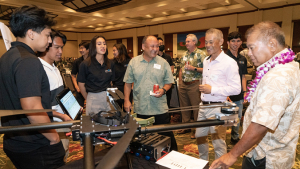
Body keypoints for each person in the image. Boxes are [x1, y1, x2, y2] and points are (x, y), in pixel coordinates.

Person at [210, 21, 300, 169]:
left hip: (265, 157)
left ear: (271, 44)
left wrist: (232, 155)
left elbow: (261, 124)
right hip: (275, 152)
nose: (249, 53)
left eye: (252, 48)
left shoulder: (278, 76)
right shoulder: (290, 66)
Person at [0, 5, 65, 168]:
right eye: (47, 35)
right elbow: (32, 107)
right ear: (31, 33)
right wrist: (54, 137)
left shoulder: (7, 57)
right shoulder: (29, 61)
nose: (50, 41)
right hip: (36, 145)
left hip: (14, 140)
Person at [123, 35, 177, 151]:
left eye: (157, 46)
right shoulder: (134, 62)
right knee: (142, 139)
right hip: (141, 107)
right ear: (143, 47)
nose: (155, 49)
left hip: (159, 108)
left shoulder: (163, 63)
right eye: (152, 46)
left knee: (167, 136)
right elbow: (127, 83)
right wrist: (127, 100)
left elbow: (169, 83)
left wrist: (163, 90)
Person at [196, 28, 240, 161]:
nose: (208, 45)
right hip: (203, 106)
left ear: (221, 41)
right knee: (199, 138)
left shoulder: (229, 62)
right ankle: (203, 164)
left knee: (218, 143)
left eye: (211, 42)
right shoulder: (206, 61)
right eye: (206, 42)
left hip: (219, 107)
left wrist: (212, 90)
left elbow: (236, 89)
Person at [38, 29, 73, 162]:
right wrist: (61, 115)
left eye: (62, 47)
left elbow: (59, 96)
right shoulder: (39, 68)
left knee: (63, 154)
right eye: (57, 47)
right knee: (55, 158)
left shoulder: (54, 66)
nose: (60, 51)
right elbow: (39, 107)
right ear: (47, 45)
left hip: (60, 123)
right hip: (50, 126)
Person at [177, 34, 206, 138]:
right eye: (186, 42)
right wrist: (180, 83)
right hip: (183, 84)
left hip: (194, 84)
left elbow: (206, 70)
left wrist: (194, 68)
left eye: (188, 41)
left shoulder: (201, 54)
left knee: (196, 108)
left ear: (194, 42)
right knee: (184, 108)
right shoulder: (184, 55)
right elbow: (181, 69)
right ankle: (185, 127)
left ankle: (196, 130)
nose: (186, 43)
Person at [77, 35, 115, 115]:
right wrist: (88, 99)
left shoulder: (110, 63)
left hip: (108, 98)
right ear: (93, 46)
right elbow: (81, 84)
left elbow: (111, 82)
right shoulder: (85, 64)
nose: (103, 46)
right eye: (99, 44)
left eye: (104, 44)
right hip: (93, 98)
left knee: (110, 123)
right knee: (94, 125)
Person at [225, 31, 248, 145]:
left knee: (237, 119)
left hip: (238, 94)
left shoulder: (243, 59)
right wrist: (225, 95)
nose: (235, 43)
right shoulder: (223, 58)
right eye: (233, 41)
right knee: (225, 119)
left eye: (238, 41)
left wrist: (245, 92)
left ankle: (234, 138)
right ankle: (221, 141)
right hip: (225, 95)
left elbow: (243, 77)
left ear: (241, 42)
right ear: (228, 42)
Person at [111, 43, 131, 109]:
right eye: (113, 51)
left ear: (121, 51)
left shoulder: (130, 62)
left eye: (114, 50)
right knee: (118, 113)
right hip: (116, 90)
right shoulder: (112, 63)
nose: (113, 52)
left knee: (127, 113)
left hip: (128, 89)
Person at [157, 37, 175, 108]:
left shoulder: (167, 56)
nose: (161, 45)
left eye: (162, 43)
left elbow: (172, 70)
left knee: (167, 103)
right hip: (158, 84)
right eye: (159, 44)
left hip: (167, 84)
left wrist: (166, 73)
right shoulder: (154, 57)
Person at [71, 41, 90, 107]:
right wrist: (76, 87)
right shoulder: (77, 61)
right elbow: (73, 75)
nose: (80, 50)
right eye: (80, 48)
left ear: (88, 49)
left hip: (90, 88)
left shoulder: (93, 60)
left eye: (82, 48)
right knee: (79, 107)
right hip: (79, 87)